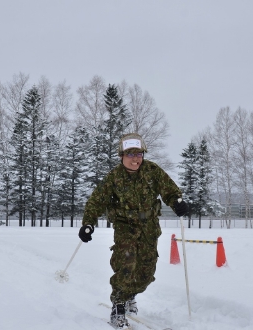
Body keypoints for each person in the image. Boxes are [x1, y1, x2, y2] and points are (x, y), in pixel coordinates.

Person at [78, 132, 189, 329]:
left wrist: (177, 202)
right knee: (126, 263)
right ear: (122, 156)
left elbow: (170, 191)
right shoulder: (114, 177)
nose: (136, 159)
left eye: (139, 154)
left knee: (147, 271)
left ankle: (130, 296)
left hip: (149, 227)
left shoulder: (152, 171)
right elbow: (96, 201)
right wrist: (88, 224)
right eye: (130, 154)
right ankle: (118, 304)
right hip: (125, 226)